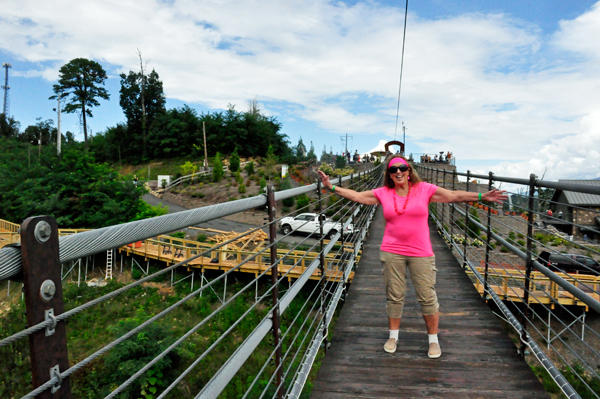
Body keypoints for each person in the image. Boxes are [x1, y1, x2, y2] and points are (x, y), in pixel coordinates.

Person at [317, 156, 507, 359]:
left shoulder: (424, 189)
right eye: (393, 169)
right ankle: (393, 336)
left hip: (421, 252)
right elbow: (358, 196)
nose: (398, 171)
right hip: (392, 251)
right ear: (388, 174)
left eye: (402, 168)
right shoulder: (383, 193)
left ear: (409, 171)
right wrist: (330, 187)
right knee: (395, 296)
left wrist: (482, 196)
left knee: (427, 296)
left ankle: (433, 340)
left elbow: (453, 195)